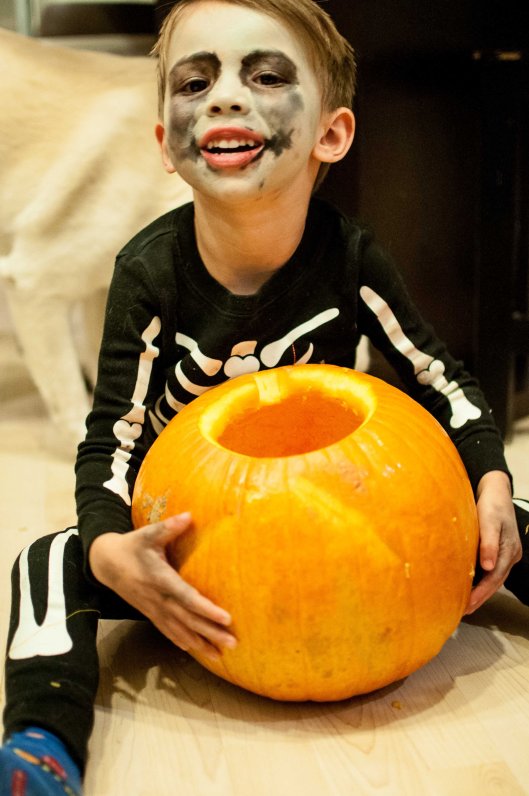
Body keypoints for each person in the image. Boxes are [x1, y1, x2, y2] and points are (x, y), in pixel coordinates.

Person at [1, 0, 528, 793]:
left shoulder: (351, 257)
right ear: (166, 145)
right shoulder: (148, 273)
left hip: (344, 527)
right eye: (195, 82)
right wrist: (110, 548)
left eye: (266, 76)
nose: (223, 96)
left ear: (331, 135)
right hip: (195, 555)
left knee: (509, 514)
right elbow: (114, 435)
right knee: (47, 561)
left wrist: (488, 475)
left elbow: (437, 376)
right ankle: (42, 742)